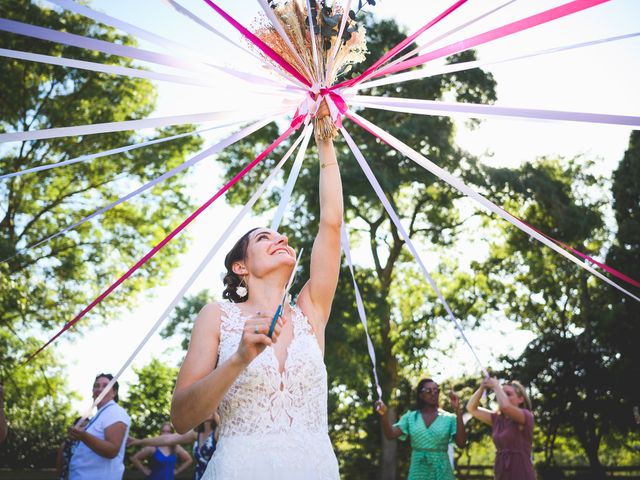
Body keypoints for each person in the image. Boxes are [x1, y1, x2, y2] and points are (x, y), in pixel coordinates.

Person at [170, 99, 343, 479]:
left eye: (281, 235)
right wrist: (238, 359)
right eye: (265, 237)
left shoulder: (311, 309)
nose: (280, 238)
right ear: (240, 266)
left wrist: (325, 140)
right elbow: (182, 417)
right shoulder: (217, 316)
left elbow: (331, 224)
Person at [375, 379, 467, 480]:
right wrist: (383, 414)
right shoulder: (410, 417)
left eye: (436, 391)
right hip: (418, 472)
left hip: (442, 473)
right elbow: (390, 435)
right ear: (420, 394)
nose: (433, 394)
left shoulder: (450, 418)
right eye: (429, 391)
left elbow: (462, 444)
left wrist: (458, 410)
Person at [467, 377, 535, 480]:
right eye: (502, 394)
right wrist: (482, 388)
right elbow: (471, 408)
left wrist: (496, 386)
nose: (503, 396)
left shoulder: (526, 416)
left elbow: (505, 406)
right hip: (501, 472)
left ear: (521, 399)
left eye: (508, 394)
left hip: (520, 472)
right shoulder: (497, 419)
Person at [67, 373, 131, 480]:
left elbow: (112, 450)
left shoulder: (115, 412)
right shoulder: (100, 415)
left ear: (114, 392)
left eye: (105, 386)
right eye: (96, 386)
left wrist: (83, 436)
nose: (100, 389)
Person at [129, 413, 218, 480]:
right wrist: (138, 441)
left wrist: (217, 415)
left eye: (212, 406)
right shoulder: (196, 434)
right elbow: (167, 439)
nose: (208, 408)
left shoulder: (219, 432)